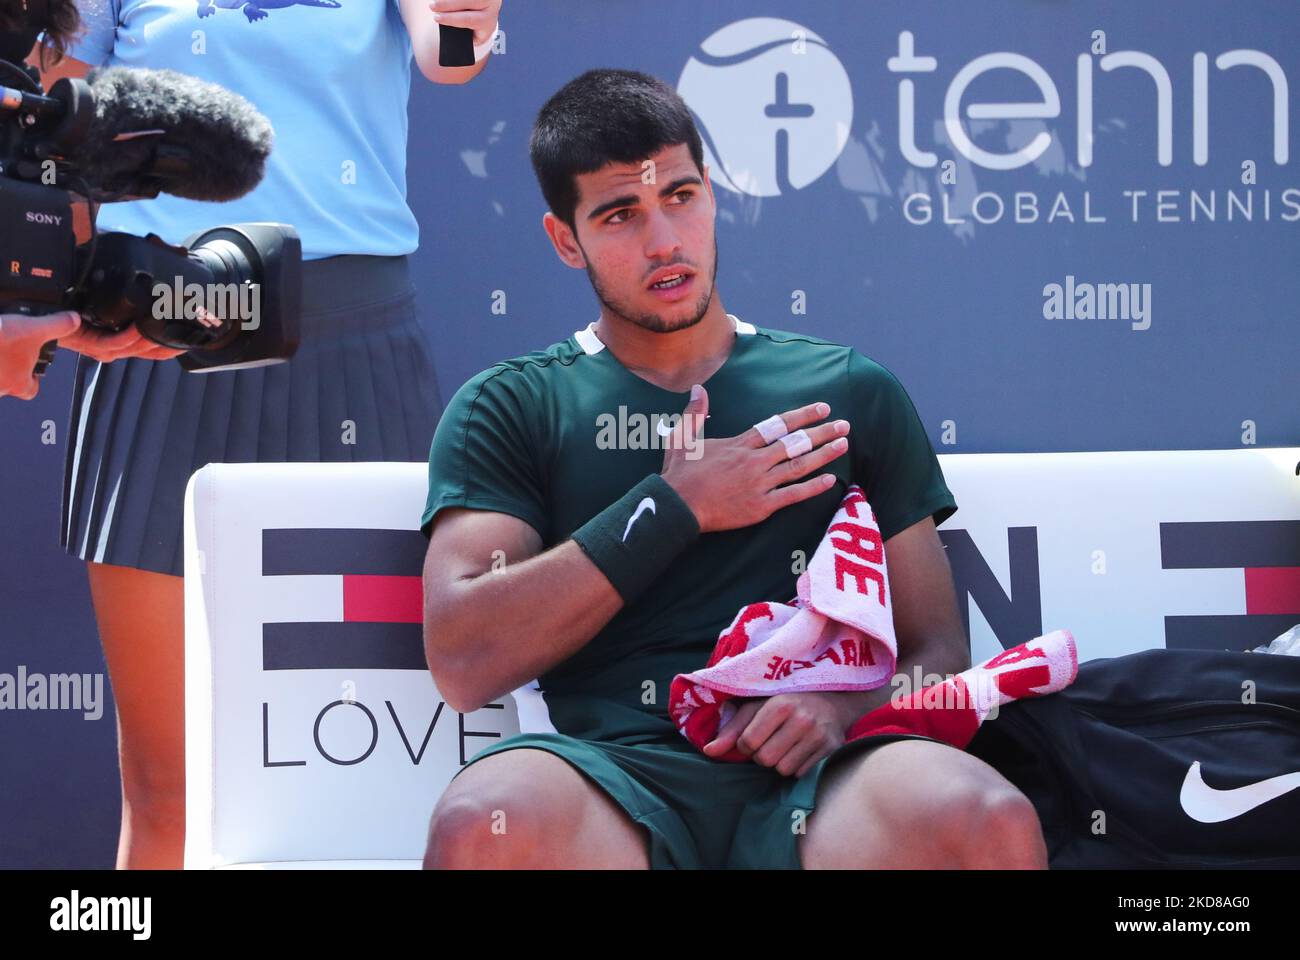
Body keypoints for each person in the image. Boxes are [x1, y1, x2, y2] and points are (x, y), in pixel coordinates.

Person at [418, 69, 1049, 869]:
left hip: (823, 778)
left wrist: (843, 703)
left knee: (983, 816)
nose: (663, 241)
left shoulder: (847, 387)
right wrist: (674, 507)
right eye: (620, 215)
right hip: (611, 775)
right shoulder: (513, 404)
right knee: (483, 823)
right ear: (564, 239)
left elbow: (937, 651)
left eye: (680, 196)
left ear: (712, 192)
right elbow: (465, 658)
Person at [37, 0, 502, 869]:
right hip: (154, 339)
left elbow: (451, 51)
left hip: (355, 349)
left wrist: (469, 19)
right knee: (169, 785)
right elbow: (60, 104)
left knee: (372, 772)